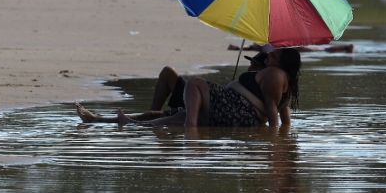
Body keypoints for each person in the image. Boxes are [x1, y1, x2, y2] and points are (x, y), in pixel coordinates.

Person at [118, 48, 301, 129]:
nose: (270, 54)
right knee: (173, 117)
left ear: (283, 62)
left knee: (195, 83)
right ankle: (132, 125)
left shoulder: (274, 74)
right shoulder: (285, 82)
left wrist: (274, 143)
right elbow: (286, 123)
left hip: (237, 112)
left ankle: (191, 129)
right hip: (235, 110)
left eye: (275, 55)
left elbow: (273, 116)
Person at [76, 51, 271, 124]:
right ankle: (151, 113)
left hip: (204, 104)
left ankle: (99, 120)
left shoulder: (264, 86)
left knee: (165, 117)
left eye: (254, 64)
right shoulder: (248, 82)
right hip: (202, 97)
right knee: (167, 74)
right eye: (251, 62)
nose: (251, 66)